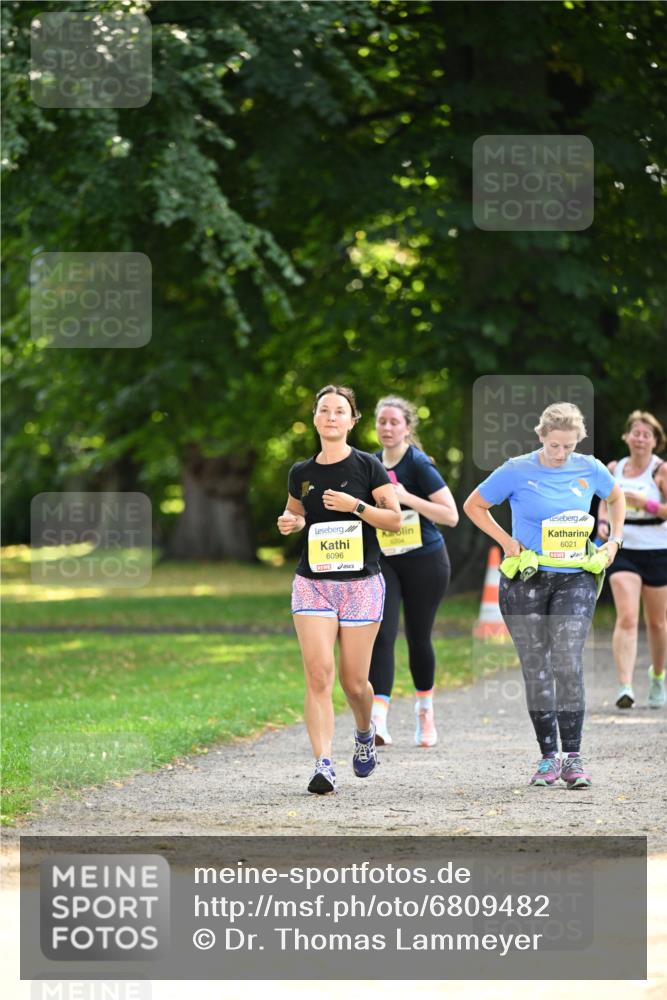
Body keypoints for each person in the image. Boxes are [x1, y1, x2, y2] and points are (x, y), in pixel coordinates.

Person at [463, 402, 625, 789]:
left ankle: (574, 758)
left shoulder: (590, 468)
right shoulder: (517, 469)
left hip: (576, 577)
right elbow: (474, 505)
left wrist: (613, 541)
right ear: (541, 437)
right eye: (554, 446)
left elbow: (617, 498)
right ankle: (547, 758)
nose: (560, 454)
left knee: (567, 660)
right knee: (536, 668)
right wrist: (506, 541)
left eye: (568, 446)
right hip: (527, 578)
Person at [277, 385, 401, 794]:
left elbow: (394, 521)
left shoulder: (368, 467)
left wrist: (356, 507)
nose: (331, 417)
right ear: (314, 418)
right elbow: (295, 514)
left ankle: (364, 732)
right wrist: (290, 523)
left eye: (339, 411)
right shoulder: (301, 472)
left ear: (352, 420)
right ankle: (323, 764)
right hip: (313, 583)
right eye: (324, 410)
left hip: (361, 584)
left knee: (354, 683)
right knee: (318, 674)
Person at [368, 396, 459, 747]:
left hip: (426, 559)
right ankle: (378, 720)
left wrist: (405, 496)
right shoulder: (370, 462)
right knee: (382, 634)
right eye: (381, 422)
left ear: (407, 427)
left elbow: (450, 515)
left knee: (418, 636)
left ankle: (425, 711)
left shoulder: (418, 463)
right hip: (386, 559)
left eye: (394, 422)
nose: (387, 428)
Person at [597, 410, 667, 710]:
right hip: (623, 548)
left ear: (655, 441)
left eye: (646, 435)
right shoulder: (614, 468)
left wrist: (645, 503)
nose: (640, 439)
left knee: (657, 623)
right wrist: (602, 523)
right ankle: (625, 686)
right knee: (626, 617)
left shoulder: (660, 470)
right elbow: (605, 502)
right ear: (626, 437)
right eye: (635, 433)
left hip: (657, 549)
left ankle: (658, 677)